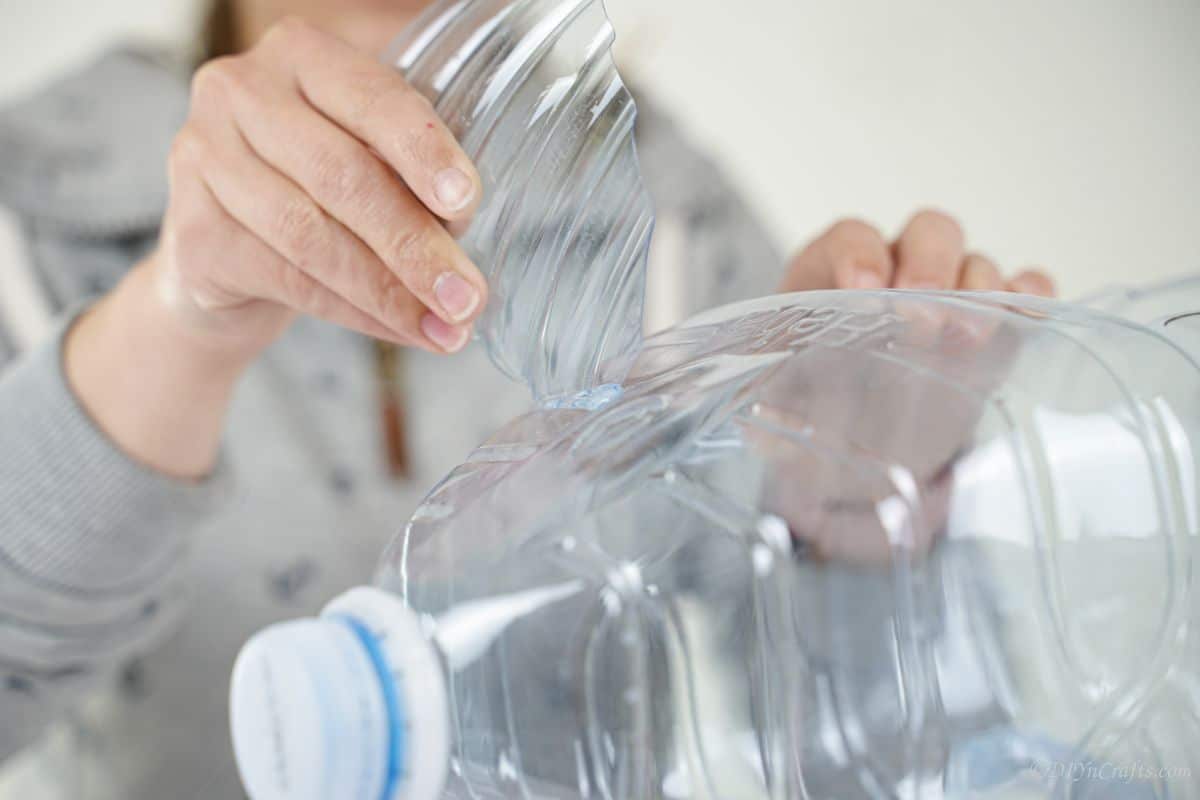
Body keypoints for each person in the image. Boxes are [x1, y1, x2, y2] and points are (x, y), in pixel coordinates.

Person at [0, 0, 1054, 796]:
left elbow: (913, 761)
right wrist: (178, 319)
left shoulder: (671, 221)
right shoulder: (28, 203)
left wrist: (859, 530)